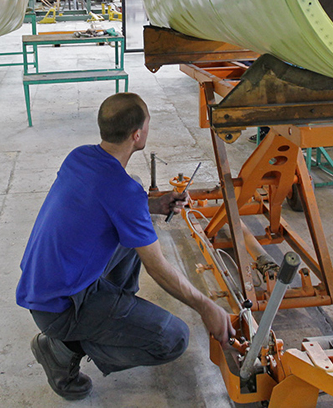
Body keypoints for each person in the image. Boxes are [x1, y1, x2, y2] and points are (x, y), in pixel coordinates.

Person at [16, 92, 235, 400]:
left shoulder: (79, 156)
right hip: (59, 308)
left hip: (43, 284)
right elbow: (157, 267)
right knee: (173, 339)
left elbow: (106, 203)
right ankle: (62, 349)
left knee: (132, 234)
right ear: (137, 135)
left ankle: (110, 312)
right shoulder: (123, 191)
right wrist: (206, 306)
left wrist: (153, 205)